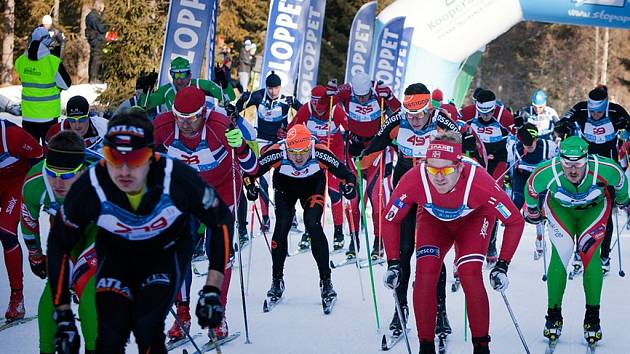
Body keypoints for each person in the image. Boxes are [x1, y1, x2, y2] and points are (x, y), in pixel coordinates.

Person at [47, 111, 232, 353]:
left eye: (135, 160)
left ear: (151, 157)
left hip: (165, 251)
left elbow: (221, 222)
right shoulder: (91, 185)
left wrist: (212, 289)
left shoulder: (175, 177)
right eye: (114, 158)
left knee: (147, 325)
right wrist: (62, 314)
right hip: (118, 253)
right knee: (110, 332)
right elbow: (59, 243)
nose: (124, 171)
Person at [382, 131, 524, 354]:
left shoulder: (478, 181)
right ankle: (425, 346)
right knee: (425, 275)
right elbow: (390, 219)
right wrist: (393, 262)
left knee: (469, 272)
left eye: (446, 170)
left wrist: (502, 265)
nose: (439, 177)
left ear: (458, 166)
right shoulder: (415, 178)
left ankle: (481, 347)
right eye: (432, 169)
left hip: (474, 220)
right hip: (434, 221)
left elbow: (515, 220)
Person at [153, 86, 258, 340]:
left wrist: (241, 147)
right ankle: (184, 314)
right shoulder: (162, 125)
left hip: (221, 191)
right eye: (180, 117)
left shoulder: (219, 125)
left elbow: (253, 168)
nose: (186, 124)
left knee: (219, 253)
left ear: (203, 113)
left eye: (192, 118)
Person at [360, 83, 455, 337]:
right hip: (406, 191)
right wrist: (359, 165)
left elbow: (463, 149)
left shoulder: (441, 120)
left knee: (432, 254)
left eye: (419, 114)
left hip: (433, 193)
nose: (413, 119)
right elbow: (373, 149)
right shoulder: (396, 120)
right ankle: (400, 309)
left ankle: (440, 312)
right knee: (403, 253)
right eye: (409, 114)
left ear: (428, 109)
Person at [525, 136, 629, 347]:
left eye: (579, 164)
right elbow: (531, 188)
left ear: (587, 160)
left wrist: (623, 199)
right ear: (560, 160)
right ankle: (553, 315)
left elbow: (621, 180)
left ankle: (593, 318)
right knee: (561, 253)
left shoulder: (604, 167)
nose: (572, 170)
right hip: (561, 211)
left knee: (590, 257)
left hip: (593, 211)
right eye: (567, 164)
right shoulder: (548, 171)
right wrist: (533, 210)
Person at [243, 124, 356, 311]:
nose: (297, 157)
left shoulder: (320, 151)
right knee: (282, 224)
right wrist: (251, 187)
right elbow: (250, 173)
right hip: (284, 189)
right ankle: (276, 281)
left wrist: (349, 187)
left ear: (309, 147)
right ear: (286, 146)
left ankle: (326, 282)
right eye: (292, 151)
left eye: (302, 152)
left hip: (313, 188)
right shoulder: (277, 152)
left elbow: (347, 174)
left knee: (313, 224)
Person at [20, 131, 98, 354]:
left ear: (81, 170)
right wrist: (35, 255)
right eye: (52, 173)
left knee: (88, 291)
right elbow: (28, 223)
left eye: (66, 176)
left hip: (98, 233)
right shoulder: (36, 184)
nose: (57, 182)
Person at [555, 85, 630, 274]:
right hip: (584, 167)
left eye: (598, 112)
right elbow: (564, 120)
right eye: (592, 112)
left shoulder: (615, 111)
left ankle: (604, 256)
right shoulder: (581, 109)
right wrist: (562, 126)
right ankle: (581, 253)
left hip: (608, 168)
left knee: (605, 212)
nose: (595, 115)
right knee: (581, 208)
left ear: (605, 106)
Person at [330, 71, 401, 260]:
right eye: (358, 97)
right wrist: (329, 92)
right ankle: (354, 240)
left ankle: (378, 243)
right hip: (354, 150)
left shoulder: (380, 91)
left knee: (378, 201)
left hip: (377, 150)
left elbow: (399, 111)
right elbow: (324, 102)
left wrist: (391, 97)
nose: (362, 100)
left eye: (365, 96)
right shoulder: (346, 92)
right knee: (352, 202)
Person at [235, 70, 302, 232]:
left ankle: (291, 216)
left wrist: (290, 129)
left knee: (285, 179)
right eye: (270, 88)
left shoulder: (287, 100)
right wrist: (241, 101)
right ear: (266, 87)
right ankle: (265, 220)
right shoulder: (257, 96)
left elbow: (304, 113)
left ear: (280, 87)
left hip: (280, 142)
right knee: (262, 180)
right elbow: (236, 110)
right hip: (262, 142)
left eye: (276, 88)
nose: (273, 92)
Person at [289, 85, 349, 251]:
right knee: (314, 193)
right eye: (314, 103)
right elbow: (291, 129)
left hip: (334, 152)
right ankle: (310, 230)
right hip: (314, 154)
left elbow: (350, 127)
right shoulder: (306, 110)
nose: (318, 108)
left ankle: (338, 232)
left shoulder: (335, 109)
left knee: (335, 192)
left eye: (320, 103)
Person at [463, 89, 515, 266]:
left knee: (492, 200)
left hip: (497, 162)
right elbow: (453, 126)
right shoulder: (469, 112)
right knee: (471, 198)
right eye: (482, 113)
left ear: (495, 109)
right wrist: (464, 138)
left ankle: (491, 244)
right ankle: (469, 239)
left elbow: (524, 136)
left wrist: (526, 130)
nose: (486, 117)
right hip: (476, 159)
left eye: (489, 113)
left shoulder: (504, 116)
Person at [0, 119, 43, 322]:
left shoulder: (12, 135)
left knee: (6, 231)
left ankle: (17, 296)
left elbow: (40, 157)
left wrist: (33, 193)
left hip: (16, 184)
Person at [15, 27, 72, 145]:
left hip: (28, 117)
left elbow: (24, 79)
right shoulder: (52, 62)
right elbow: (66, 84)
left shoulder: (20, 61)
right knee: (50, 154)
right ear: (45, 40)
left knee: (33, 155)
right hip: (49, 117)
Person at [508, 123, 558, 259]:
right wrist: (508, 177)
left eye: (531, 144)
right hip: (522, 176)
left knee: (537, 207)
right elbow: (509, 166)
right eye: (525, 144)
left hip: (540, 178)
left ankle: (540, 238)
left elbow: (557, 165)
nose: (528, 147)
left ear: (536, 139)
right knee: (516, 202)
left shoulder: (548, 147)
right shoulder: (515, 148)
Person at [140, 56, 235, 113]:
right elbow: (145, 106)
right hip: (176, 135)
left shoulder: (200, 85)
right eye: (176, 75)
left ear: (189, 75)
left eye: (183, 74)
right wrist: (144, 91)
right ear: (171, 75)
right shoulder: (167, 90)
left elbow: (230, 98)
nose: (180, 79)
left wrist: (224, 84)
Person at [45, 95, 108, 160]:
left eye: (81, 119)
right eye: (72, 120)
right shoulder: (55, 132)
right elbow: (47, 159)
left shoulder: (104, 126)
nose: (77, 125)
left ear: (88, 116)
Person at [85, 0, 107, 84]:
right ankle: (93, 77)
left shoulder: (95, 15)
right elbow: (101, 28)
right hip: (96, 39)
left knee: (97, 57)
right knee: (96, 57)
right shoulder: (93, 16)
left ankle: (96, 76)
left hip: (97, 38)